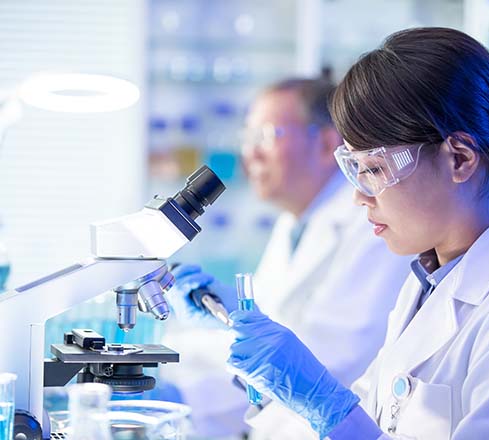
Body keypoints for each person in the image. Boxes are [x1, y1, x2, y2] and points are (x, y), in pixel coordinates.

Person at [224, 27, 489, 439]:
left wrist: (325, 405)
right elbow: (372, 418)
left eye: (374, 170)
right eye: (353, 169)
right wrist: (289, 396)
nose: (358, 198)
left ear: (459, 158)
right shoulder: (430, 278)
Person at [163, 78, 412, 438]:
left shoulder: (372, 223)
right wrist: (221, 322)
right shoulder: (293, 222)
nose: (251, 154)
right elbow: (265, 336)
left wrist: (182, 401)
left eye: (266, 136)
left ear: (327, 143)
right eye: (247, 139)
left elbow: (327, 361)